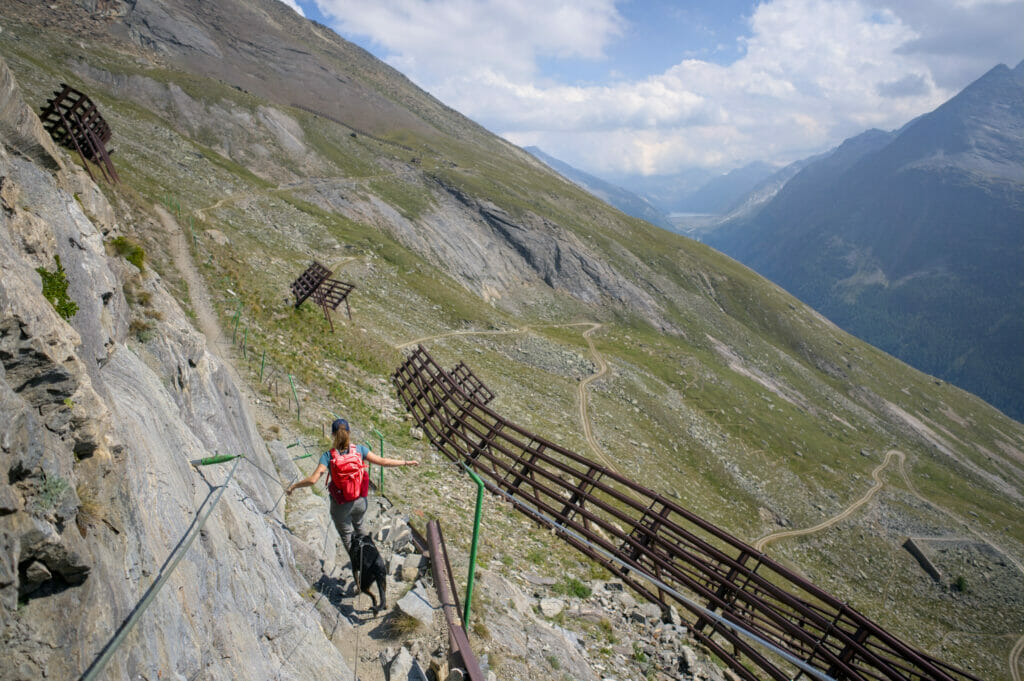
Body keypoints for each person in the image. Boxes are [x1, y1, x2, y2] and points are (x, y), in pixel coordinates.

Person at [286, 418, 418, 552]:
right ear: (349, 432)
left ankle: (357, 567)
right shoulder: (359, 450)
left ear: (332, 435)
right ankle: (371, 555)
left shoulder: (328, 456)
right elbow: (383, 461)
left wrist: (294, 486)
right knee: (360, 527)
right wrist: (406, 462)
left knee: (347, 535)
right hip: (360, 501)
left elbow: (313, 480)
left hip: (341, 504)